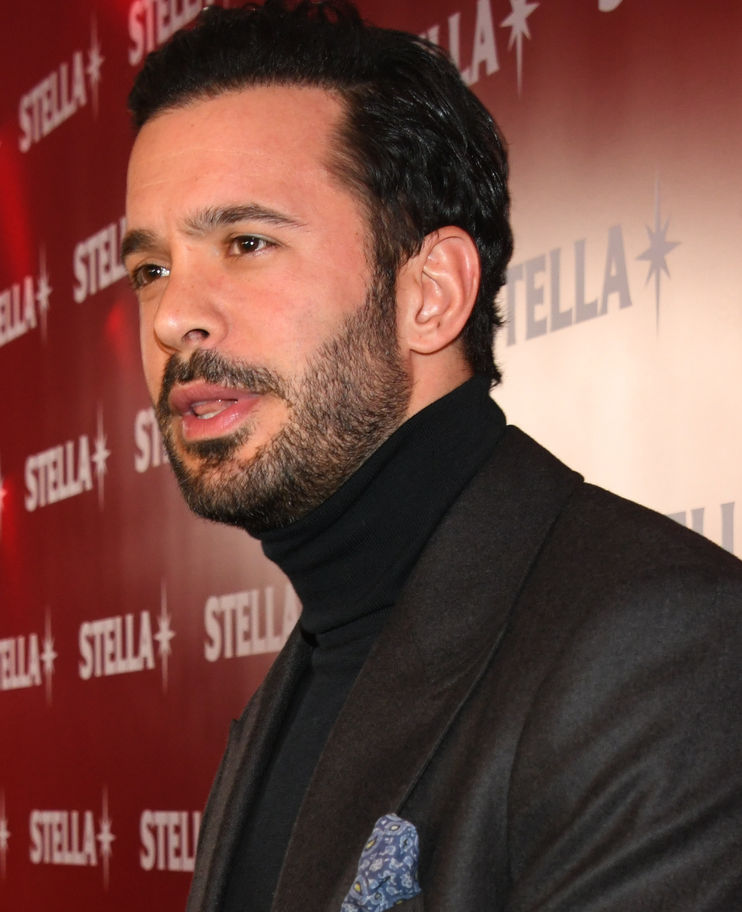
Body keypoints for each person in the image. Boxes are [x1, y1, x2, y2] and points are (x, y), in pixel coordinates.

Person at [122, 2, 742, 910]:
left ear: (431, 293)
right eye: (151, 269)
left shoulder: (663, 653)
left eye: (247, 244)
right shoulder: (306, 670)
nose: (173, 315)